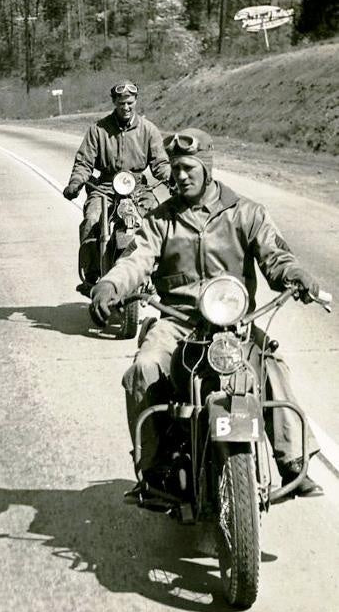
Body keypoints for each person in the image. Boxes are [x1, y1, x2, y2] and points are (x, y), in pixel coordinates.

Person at [90, 127, 324, 497]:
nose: (180, 176)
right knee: (143, 369)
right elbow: (136, 259)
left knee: (270, 366)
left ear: (207, 168)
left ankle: (292, 461)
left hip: (234, 324)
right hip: (176, 321)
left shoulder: (245, 212)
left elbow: (275, 255)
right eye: (176, 168)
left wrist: (296, 275)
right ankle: (152, 468)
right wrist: (111, 285)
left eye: (189, 168)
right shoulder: (160, 219)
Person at [63, 81, 171, 295]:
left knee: (158, 220)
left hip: (138, 187)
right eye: (121, 103)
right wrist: (76, 183)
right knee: (92, 219)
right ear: (114, 102)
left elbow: (160, 163)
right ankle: (92, 273)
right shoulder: (98, 130)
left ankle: (158, 271)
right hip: (105, 187)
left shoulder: (148, 130)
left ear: (136, 101)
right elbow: (84, 163)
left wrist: (171, 179)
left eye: (130, 102)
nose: (126, 107)